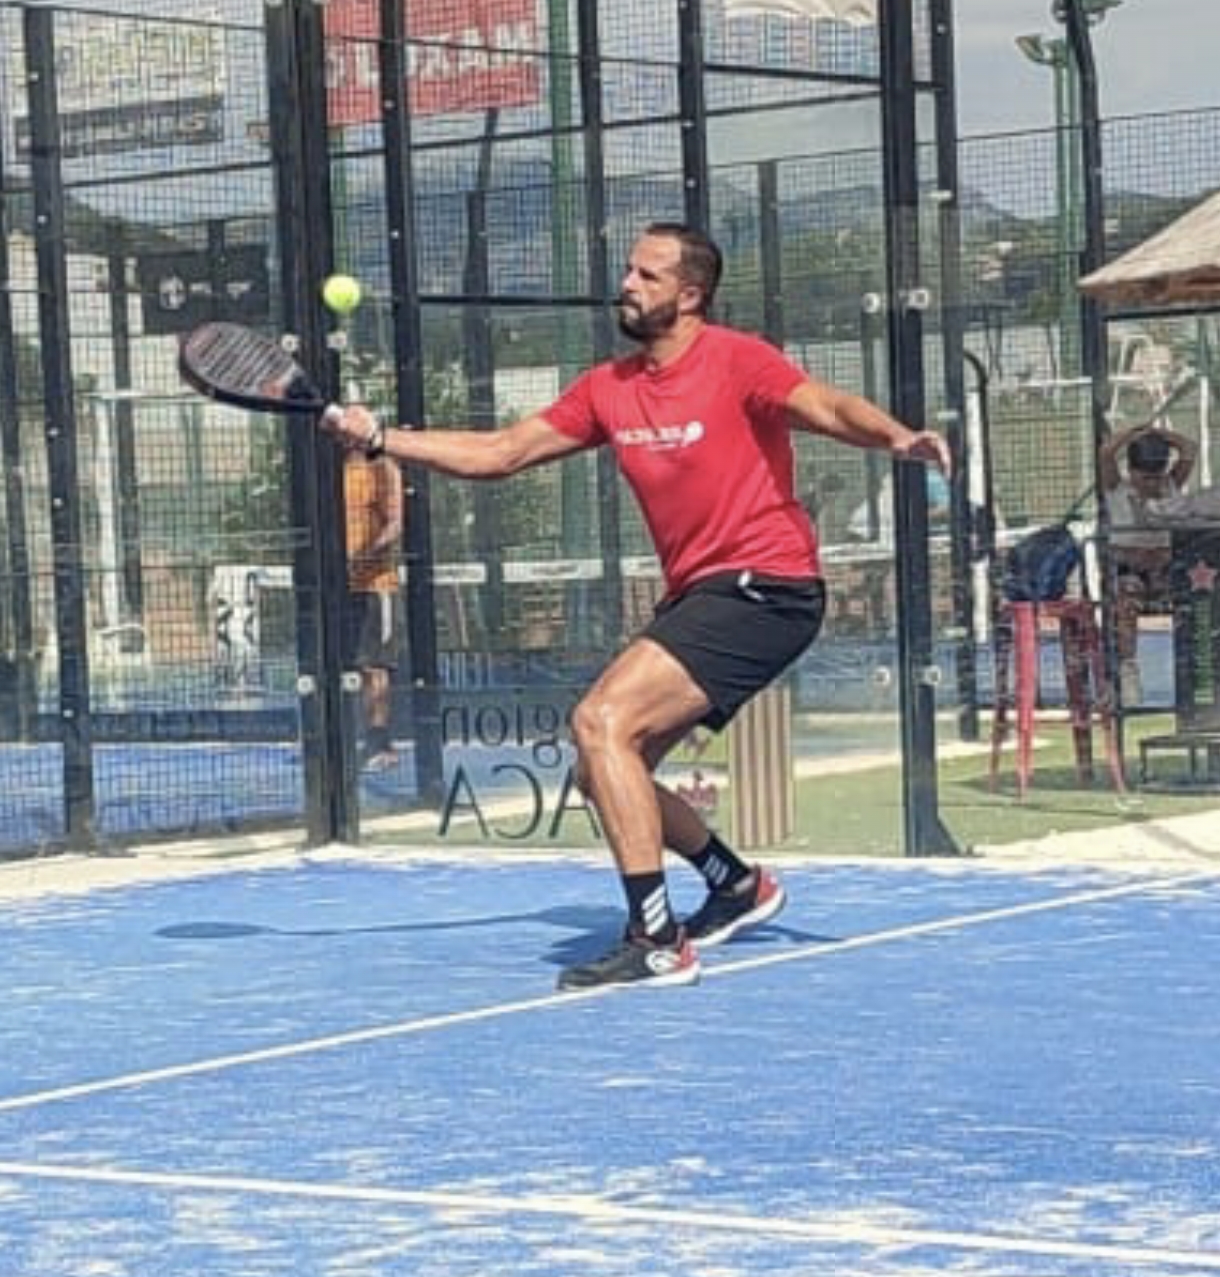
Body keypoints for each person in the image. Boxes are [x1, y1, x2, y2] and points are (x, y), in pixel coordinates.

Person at [326, 223, 952, 990]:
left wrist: (896, 438)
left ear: (690, 294)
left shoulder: (736, 359)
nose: (627, 284)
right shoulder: (609, 388)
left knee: (600, 721)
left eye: (647, 275)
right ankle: (735, 885)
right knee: (602, 769)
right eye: (629, 270)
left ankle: (657, 941)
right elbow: (501, 453)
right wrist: (381, 437)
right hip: (704, 593)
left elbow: (824, 404)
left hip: (769, 585)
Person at [1099, 416, 1196, 704]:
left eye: (1156, 477)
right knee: (1126, 601)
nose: (1151, 483)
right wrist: (1134, 432)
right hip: (1131, 570)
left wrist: (1159, 434)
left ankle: (1197, 667)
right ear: (1132, 472)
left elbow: (1189, 448)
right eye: (1145, 477)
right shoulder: (1117, 489)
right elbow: (1106, 453)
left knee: (1200, 595)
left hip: (1165, 570)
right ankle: (1129, 669)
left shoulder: (1170, 485)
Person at [342, 442, 405, 772]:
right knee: (352, 668)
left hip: (376, 585)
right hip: (341, 588)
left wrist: (366, 554)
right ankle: (351, 741)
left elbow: (395, 524)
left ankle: (380, 743)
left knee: (375, 666)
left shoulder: (383, 468)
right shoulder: (335, 472)